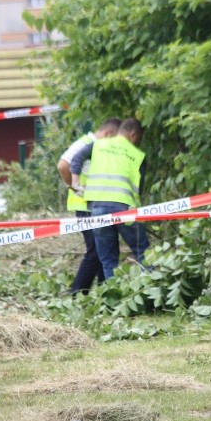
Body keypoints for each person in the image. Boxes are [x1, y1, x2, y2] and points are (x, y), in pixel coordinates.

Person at [69, 117, 149, 280]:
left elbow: (76, 160)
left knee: (108, 260)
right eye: (138, 139)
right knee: (143, 251)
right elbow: (139, 189)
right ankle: (150, 290)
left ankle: (113, 300)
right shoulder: (138, 155)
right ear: (133, 135)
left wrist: (76, 184)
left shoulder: (98, 145)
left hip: (97, 208)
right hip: (125, 208)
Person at [57, 117, 121, 294]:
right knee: (94, 252)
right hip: (84, 205)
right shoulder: (86, 143)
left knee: (103, 251)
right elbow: (63, 165)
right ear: (108, 134)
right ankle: (77, 293)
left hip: (95, 205)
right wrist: (73, 187)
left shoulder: (95, 145)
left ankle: (103, 291)